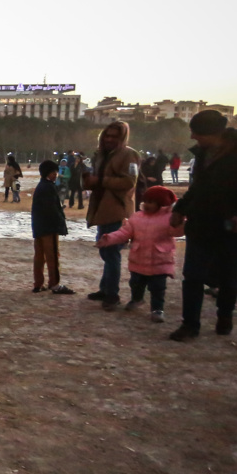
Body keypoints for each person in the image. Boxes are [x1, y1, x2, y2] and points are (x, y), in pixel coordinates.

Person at [168, 110, 237, 341]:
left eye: (196, 132)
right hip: (202, 222)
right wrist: (181, 208)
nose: (193, 137)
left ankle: (225, 317)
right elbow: (199, 187)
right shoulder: (205, 153)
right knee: (193, 276)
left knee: (230, 277)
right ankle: (190, 324)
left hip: (232, 226)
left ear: (213, 133)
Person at [96, 185, 184, 323]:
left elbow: (177, 232)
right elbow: (124, 233)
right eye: (146, 201)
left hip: (160, 261)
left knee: (158, 288)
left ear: (161, 204)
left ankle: (157, 309)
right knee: (136, 283)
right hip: (139, 260)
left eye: (152, 202)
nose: (147, 205)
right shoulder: (136, 217)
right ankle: (137, 298)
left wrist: (181, 223)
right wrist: (109, 238)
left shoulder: (169, 219)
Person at [84, 121, 140, 309]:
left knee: (111, 252)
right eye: (107, 135)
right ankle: (106, 288)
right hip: (102, 207)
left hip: (117, 209)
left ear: (122, 138)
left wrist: (99, 180)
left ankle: (112, 294)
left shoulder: (129, 155)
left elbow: (129, 182)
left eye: (114, 136)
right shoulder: (101, 155)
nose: (109, 139)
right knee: (105, 250)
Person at [30, 160, 73, 294]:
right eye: (54, 172)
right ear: (48, 173)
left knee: (39, 256)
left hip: (39, 227)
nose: (56, 174)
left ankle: (38, 283)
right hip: (49, 228)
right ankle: (54, 284)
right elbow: (53, 210)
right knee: (52, 256)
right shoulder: (49, 187)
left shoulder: (41, 186)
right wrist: (60, 225)